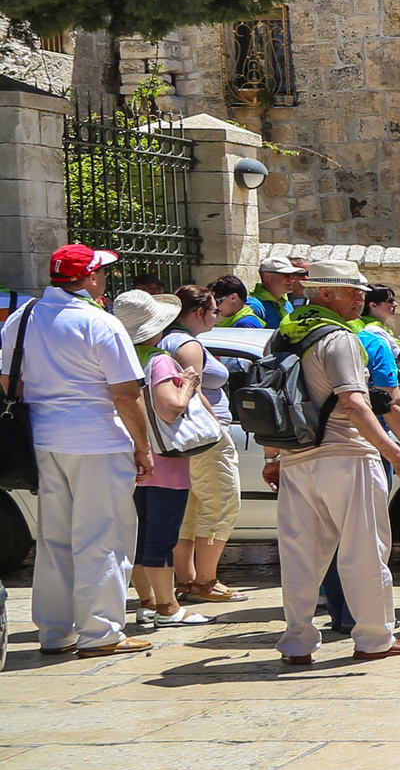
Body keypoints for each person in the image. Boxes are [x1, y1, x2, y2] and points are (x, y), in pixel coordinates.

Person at [0, 245, 158, 657]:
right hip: (97, 441)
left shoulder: (23, 317)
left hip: (44, 439)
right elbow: (126, 394)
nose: (104, 278)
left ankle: (55, 631)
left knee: (55, 538)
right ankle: (101, 632)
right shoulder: (99, 323)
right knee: (102, 536)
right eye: (100, 272)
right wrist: (143, 447)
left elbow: (9, 383)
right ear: (89, 279)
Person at [270, 258, 400, 666]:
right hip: (346, 454)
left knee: (300, 553)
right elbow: (354, 403)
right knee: (364, 548)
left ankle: (297, 641)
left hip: (296, 455)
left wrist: (273, 456)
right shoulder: (339, 339)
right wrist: (397, 453)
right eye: (352, 291)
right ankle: (375, 638)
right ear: (324, 293)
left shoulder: (285, 334)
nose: (362, 298)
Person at [111, 290, 203, 632]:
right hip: (165, 462)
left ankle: (147, 602)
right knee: (161, 537)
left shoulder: (121, 361)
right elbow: (171, 406)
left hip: (130, 459)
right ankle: (168, 606)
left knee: (138, 536)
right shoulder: (159, 361)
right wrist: (189, 385)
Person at [162, 284, 246, 604]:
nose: (217, 315)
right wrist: (215, 429)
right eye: (214, 310)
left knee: (192, 508)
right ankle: (207, 580)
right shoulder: (188, 345)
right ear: (198, 313)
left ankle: (187, 580)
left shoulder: (166, 339)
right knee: (222, 503)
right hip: (206, 437)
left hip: (182, 439)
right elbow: (193, 393)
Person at [244, 255, 307, 330]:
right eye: (287, 275)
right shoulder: (254, 306)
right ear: (267, 276)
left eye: (294, 275)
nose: (292, 279)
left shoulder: (286, 303)